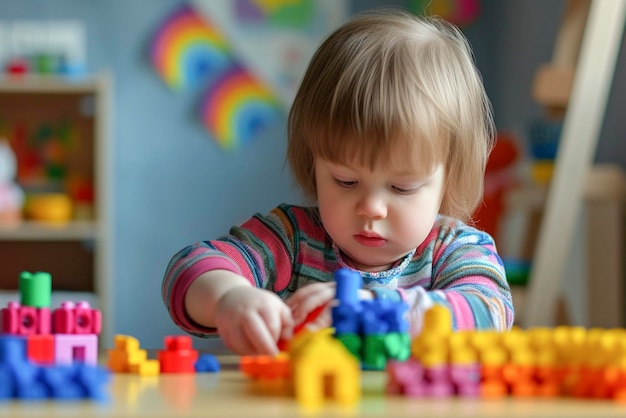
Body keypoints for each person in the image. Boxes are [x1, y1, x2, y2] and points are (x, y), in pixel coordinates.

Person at [162, 9, 514, 356]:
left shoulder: (455, 249)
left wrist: (378, 310)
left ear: (448, 178)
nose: (371, 208)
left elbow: (490, 313)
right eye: (346, 180)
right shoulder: (292, 240)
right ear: (314, 162)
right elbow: (187, 270)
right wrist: (228, 297)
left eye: (402, 187)